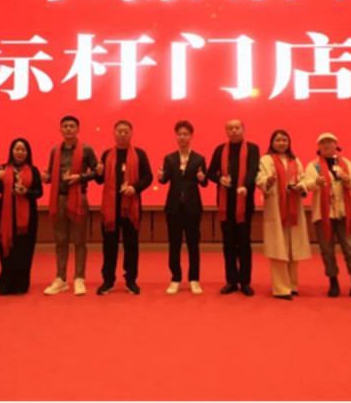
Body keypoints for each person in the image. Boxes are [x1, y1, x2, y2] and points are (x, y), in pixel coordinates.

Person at [304, 133, 351, 302]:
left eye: (329, 142)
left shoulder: (346, 164)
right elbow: (306, 184)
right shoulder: (313, 165)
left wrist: (348, 179)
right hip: (323, 215)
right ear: (319, 147)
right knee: (327, 250)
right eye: (322, 143)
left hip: (345, 213)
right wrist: (316, 183)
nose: (326, 145)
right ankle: (333, 282)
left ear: (336, 145)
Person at [42, 116, 98, 296]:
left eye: (72, 126)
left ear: (78, 129)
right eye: (65, 126)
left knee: (79, 241)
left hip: (79, 197)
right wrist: (46, 178)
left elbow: (97, 172)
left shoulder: (87, 149)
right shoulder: (55, 151)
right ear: (60, 129)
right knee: (61, 240)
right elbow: (51, 174)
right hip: (59, 198)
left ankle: (79, 278)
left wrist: (80, 177)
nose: (68, 129)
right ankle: (61, 278)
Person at [95, 120, 153, 295]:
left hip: (131, 207)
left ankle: (131, 280)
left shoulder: (139, 154)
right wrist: (98, 174)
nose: (122, 134)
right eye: (119, 131)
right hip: (110, 208)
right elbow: (99, 180)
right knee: (109, 245)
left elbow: (148, 177)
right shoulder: (106, 155)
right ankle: (108, 280)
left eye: (126, 131)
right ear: (114, 133)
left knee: (131, 245)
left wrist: (135, 188)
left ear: (131, 133)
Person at [255, 130, 311, 300]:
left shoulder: (295, 160)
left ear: (289, 142)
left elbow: (304, 179)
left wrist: (301, 186)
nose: (281, 143)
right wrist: (267, 181)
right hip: (276, 208)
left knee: (293, 248)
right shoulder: (266, 160)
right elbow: (259, 178)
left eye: (284, 140)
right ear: (272, 142)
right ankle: (280, 288)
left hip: (293, 208)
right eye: (278, 140)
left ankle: (292, 285)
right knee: (278, 248)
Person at [207, 119, 260, 296]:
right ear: (226, 131)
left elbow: (253, 171)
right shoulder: (220, 150)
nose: (234, 131)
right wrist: (219, 179)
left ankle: (245, 282)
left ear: (243, 129)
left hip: (244, 204)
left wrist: (246, 186)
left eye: (237, 128)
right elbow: (210, 172)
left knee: (244, 244)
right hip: (226, 205)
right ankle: (231, 281)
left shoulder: (252, 149)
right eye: (230, 128)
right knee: (228, 244)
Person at [157, 120, 207, 294]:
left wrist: (202, 179)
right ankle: (175, 278)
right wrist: (161, 177)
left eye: (186, 134)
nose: (183, 137)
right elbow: (164, 180)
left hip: (193, 208)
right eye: (180, 134)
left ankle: (194, 279)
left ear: (191, 136)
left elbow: (204, 182)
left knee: (193, 244)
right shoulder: (169, 158)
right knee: (174, 244)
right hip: (174, 208)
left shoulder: (199, 159)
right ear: (176, 137)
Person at [0, 138, 43, 295]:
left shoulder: (33, 170)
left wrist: (26, 192)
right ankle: (6, 283)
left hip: (27, 217)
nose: (20, 152)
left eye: (23, 150)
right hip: (6, 214)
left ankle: (21, 284)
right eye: (17, 149)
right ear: (11, 151)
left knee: (24, 249)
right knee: (6, 248)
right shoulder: (2, 169)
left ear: (28, 153)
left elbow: (39, 192)